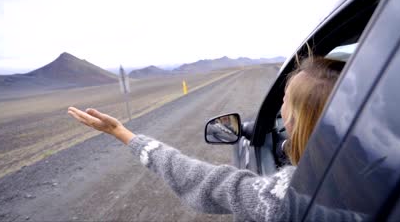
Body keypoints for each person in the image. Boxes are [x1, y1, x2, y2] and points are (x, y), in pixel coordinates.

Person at [68, 56, 345, 222]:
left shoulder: (287, 198)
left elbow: (197, 177)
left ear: (294, 120)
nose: (280, 107)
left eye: (283, 100)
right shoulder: (363, 174)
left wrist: (121, 133)